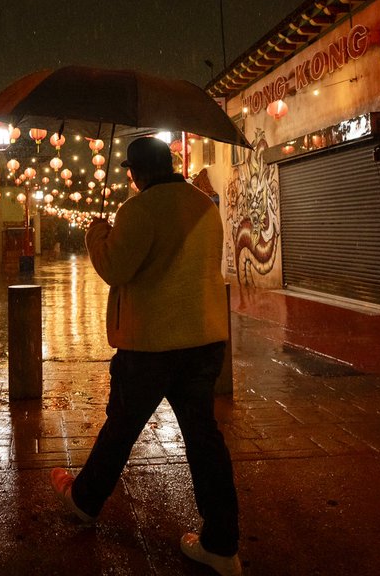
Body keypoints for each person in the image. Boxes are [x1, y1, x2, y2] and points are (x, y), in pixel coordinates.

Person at [50, 136, 241, 576]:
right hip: (202, 342)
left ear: (136, 171)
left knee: (121, 427)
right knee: (203, 438)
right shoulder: (205, 206)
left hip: (151, 345)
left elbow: (115, 267)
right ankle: (222, 543)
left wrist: (97, 232)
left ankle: (84, 500)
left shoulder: (140, 208)